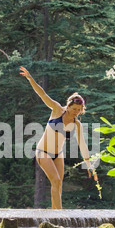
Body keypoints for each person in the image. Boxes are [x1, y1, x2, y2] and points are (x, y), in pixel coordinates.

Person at [19, 66, 98, 209]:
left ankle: (55, 215)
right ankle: (59, 216)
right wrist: (31, 79)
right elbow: (42, 94)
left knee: (59, 184)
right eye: (74, 109)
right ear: (68, 107)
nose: (76, 112)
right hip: (43, 151)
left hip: (58, 154)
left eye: (79, 111)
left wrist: (89, 164)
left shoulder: (77, 124)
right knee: (55, 180)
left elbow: (82, 145)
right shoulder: (56, 110)